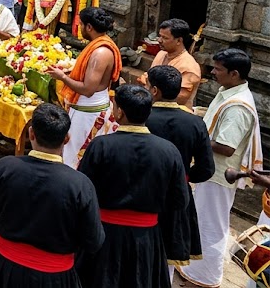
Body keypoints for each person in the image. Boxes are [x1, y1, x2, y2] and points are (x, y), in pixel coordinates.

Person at [0, 103, 104, 288]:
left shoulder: (6, 167)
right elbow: (94, 241)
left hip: (6, 271)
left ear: (31, 134)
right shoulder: (80, 184)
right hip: (56, 278)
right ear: (66, 138)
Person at [76, 85, 189, 288]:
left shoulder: (101, 145)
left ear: (119, 112)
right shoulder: (169, 151)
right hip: (146, 238)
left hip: (104, 234)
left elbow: (83, 193)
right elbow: (180, 199)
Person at [178, 48, 262, 287]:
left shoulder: (238, 106)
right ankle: (194, 269)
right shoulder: (228, 91)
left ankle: (206, 275)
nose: (213, 73)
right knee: (203, 220)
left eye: (218, 69)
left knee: (211, 224)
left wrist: (194, 136)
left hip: (219, 173)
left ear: (234, 73)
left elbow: (226, 146)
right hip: (210, 171)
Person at [144, 65, 214, 271]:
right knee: (170, 253)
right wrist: (184, 177)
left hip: (143, 192)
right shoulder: (195, 123)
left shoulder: (142, 119)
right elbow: (206, 168)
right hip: (178, 194)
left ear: (155, 91)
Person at [46, 7, 122, 168]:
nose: (80, 29)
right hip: (84, 108)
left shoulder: (100, 52)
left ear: (89, 27)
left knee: (76, 158)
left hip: (89, 111)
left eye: (81, 25)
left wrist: (63, 77)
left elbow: (88, 89)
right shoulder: (98, 45)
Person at [137, 18, 202, 108]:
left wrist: (149, 87)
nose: (159, 40)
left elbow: (180, 98)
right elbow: (148, 78)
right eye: (159, 36)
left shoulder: (189, 66)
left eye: (165, 38)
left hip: (174, 114)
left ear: (179, 41)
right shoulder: (161, 54)